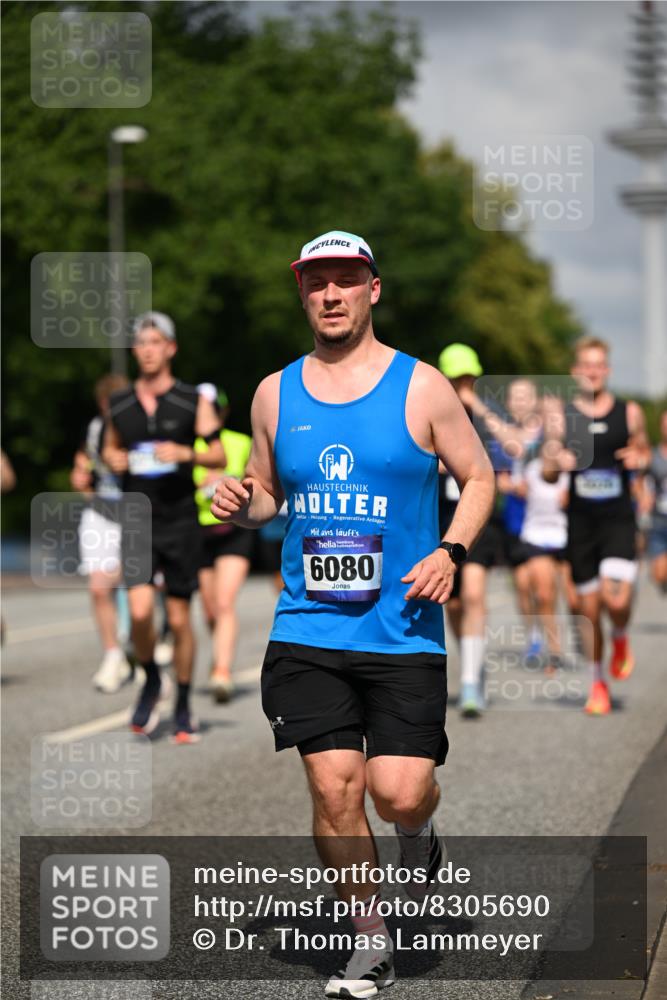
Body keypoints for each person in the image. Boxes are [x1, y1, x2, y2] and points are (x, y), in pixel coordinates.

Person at [212, 231, 495, 998]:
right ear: (303, 294)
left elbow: (476, 478)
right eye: (316, 283)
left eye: (345, 280)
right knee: (335, 788)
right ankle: (367, 942)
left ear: (373, 289)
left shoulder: (422, 386)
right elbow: (268, 490)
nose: (330, 295)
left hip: (402, 627)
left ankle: (419, 835)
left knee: (397, 791)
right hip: (307, 627)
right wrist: (240, 504)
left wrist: (450, 551)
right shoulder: (275, 391)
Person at [103, 311, 224, 743]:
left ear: (170, 348)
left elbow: (218, 457)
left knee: (178, 615)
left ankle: (186, 701)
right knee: (137, 612)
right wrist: (112, 460)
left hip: (179, 520)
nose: (148, 349)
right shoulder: (119, 404)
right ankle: (153, 675)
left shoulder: (192, 400)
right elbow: (111, 451)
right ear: (135, 351)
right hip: (136, 518)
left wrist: (185, 453)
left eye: (156, 342)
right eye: (141, 343)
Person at [555, 336, 650, 715]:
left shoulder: (629, 412)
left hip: (617, 519)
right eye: (586, 365)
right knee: (589, 610)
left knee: (618, 599)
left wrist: (638, 458)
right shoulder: (564, 416)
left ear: (606, 370)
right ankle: (598, 683)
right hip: (580, 523)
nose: (593, 371)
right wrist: (555, 461)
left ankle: (622, 637)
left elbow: (642, 451)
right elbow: (547, 471)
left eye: (599, 365)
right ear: (576, 371)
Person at [437, 344, 507, 717]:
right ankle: (472, 662)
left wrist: (476, 405)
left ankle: (468, 684)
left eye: (468, 379)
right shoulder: (432, 413)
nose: (463, 385)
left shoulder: (487, 413)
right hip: (442, 517)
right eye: (456, 379)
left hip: (480, 518)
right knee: (455, 601)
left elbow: (513, 446)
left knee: (476, 595)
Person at [70, 374, 133, 692]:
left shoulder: (141, 428)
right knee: (98, 587)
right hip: (100, 514)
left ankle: (143, 641)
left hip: (136, 514)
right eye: (106, 406)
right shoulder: (95, 428)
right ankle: (113, 655)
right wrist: (81, 479)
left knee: (136, 586)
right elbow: (84, 466)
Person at [194, 383, 254, 703]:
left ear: (224, 411)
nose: (211, 416)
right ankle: (219, 653)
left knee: (224, 602)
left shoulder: (241, 442)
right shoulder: (189, 446)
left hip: (234, 530)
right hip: (199, 530)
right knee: (208, 609)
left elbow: (253, 481)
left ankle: (222, 671)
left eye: (215, 409)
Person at [516, 441, 570, 672]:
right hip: (535, 539)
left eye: (558, 450)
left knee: (566, 598)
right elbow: (517, 487)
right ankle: (553, 649)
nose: (553, 455)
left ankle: (551, 639)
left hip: (562, 539)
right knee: (541, 593)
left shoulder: (569, 476)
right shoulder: (531, 470)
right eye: (549, 450)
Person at [643, 409, 667, 594]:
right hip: (659, 521)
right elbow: (641, 482)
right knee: (659, 574)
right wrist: (644, 495)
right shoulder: (652, 456)